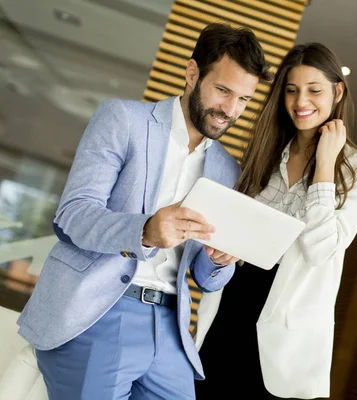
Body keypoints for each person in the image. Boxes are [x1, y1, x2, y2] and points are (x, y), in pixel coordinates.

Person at [16, 23, 272, 400]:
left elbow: (208, 278)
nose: (230, 110)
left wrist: (221, 260)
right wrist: (146, 231)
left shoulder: (227, 170)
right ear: (191, 73)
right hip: (98, 313)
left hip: (170, 329)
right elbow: (72, 215)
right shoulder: (122, 120)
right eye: (223, 91)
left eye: (244, 100)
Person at [195, 42, 357, 399]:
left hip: (284, 333)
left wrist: (325, 165)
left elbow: (320, 248)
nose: (301, 102)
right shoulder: (265, 151)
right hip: (231, 308)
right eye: (292, 91)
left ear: (337, 91)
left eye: (315, 91)